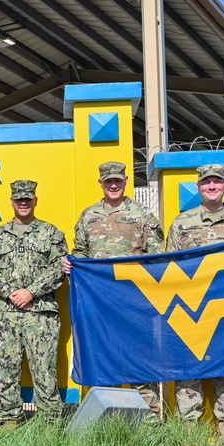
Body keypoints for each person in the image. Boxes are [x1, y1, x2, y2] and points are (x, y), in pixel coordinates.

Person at [66, 161, 164, 414]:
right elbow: (80, 253)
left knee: (141, 360)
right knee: (106, 359)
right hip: (101, 304)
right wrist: (72, 265)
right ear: (100, 183)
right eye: (108, 181)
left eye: (117, 181)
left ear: (126, 181)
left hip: (136, 302)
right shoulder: (89, 216)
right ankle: (109, 420)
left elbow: (157, 257)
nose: (113, 186)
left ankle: (149, 423)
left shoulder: (142, 214)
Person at [165, 163, 224, 446]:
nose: (212, 186)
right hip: (192, 305)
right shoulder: (182, 222)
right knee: (189, 365)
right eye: (206, 183)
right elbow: (170, 266)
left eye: (217, 182)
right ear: (199, 187)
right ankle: (189, 427)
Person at [0, 180, 68, 427]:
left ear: (35, 201)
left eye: (27, 199)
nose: (23, 203)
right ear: (11, 202)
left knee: (45, 371)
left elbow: (59, 268)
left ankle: (49, 424)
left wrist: (30, 292)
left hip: (41, 315)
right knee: (6, 369)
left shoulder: (51, 234)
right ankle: (9, 421)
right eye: (19, 199)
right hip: (5, 314)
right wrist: (11, 293)